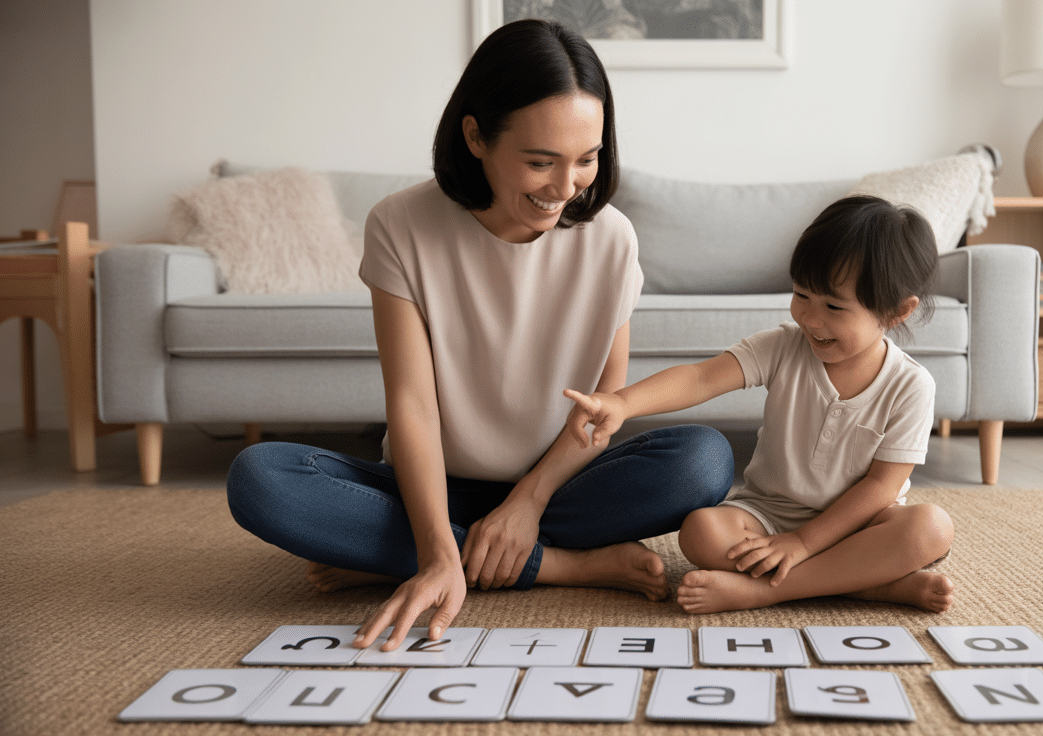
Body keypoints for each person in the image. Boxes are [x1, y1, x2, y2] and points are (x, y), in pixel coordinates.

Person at [225, 19, 734, 653]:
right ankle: (560, 565)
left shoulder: (611, 238)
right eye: (540, 162)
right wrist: (437, 542)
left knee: (703, 461)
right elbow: (412, 406)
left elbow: (604, 403)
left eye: (587, 159)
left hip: (557, 485)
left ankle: (397, 555)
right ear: (476, 136)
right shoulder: (400, 225)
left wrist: (527, 500)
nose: (564, 187)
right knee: (260, 479)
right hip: (430, 483)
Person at [566, 195, 955, 615]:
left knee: (931, 527)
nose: (810, 318)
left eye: (834, 307)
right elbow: (701, 378)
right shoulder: (785, 346)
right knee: (700, 532)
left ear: (897, 312)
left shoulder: (911, 385)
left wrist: (804, 544)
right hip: (768, 516)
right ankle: (867, 584)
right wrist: (622, 403)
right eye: (801, 295)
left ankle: (767, 591)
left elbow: (881, 488)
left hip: (855, 526)